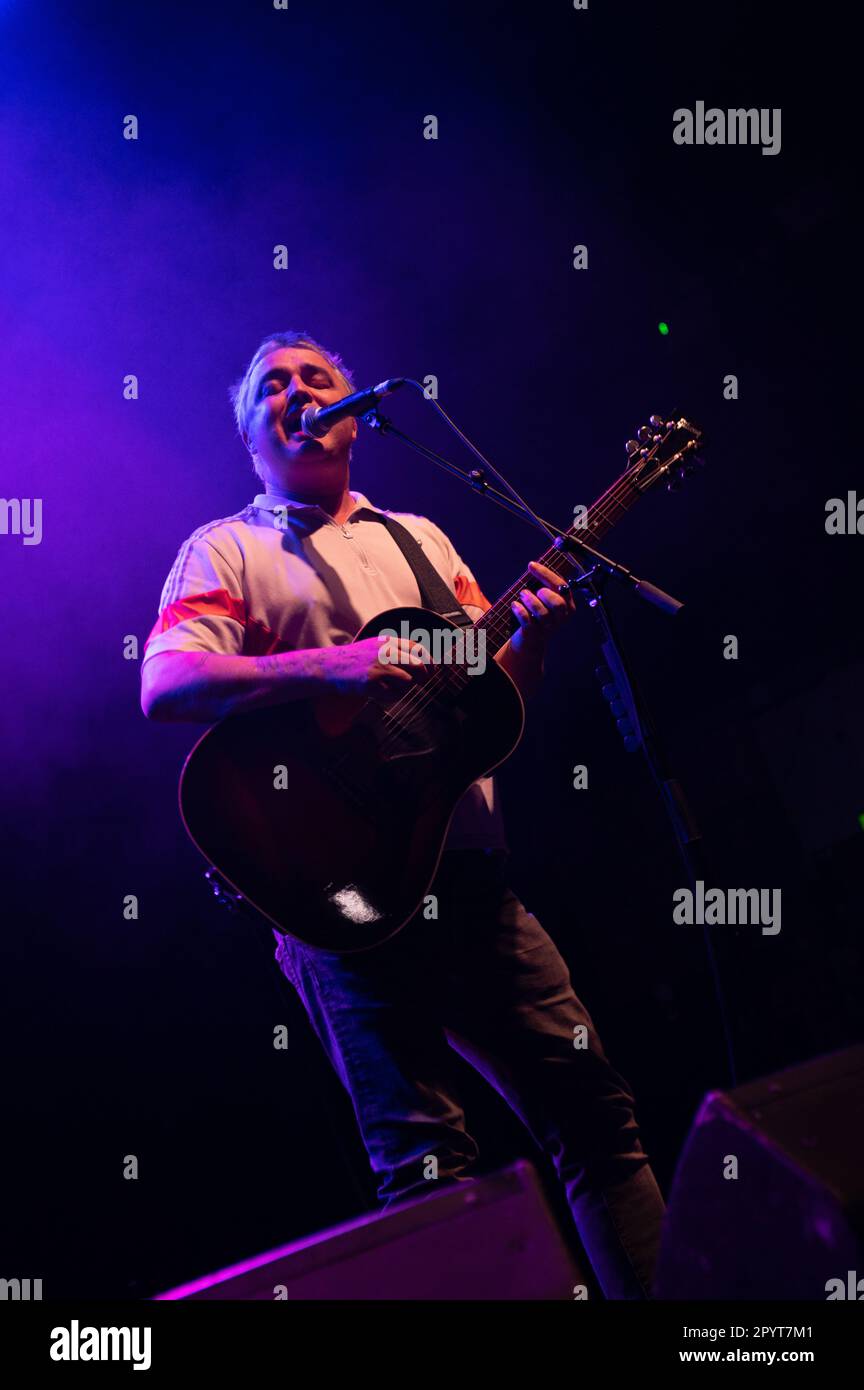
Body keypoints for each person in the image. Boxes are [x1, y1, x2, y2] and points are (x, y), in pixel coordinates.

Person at [141, 331, 666, 1298]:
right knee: (428, 1170)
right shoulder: (228, 547)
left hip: (468, 876)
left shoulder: (419, 540)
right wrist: (332, 663)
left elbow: (484, 697)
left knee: (597, 1116)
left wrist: (534, 644)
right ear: (249, 433)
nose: (299, 392)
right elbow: (166, 680)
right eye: (272, 386)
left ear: (355, 414)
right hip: (334, 897)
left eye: (318, 378)